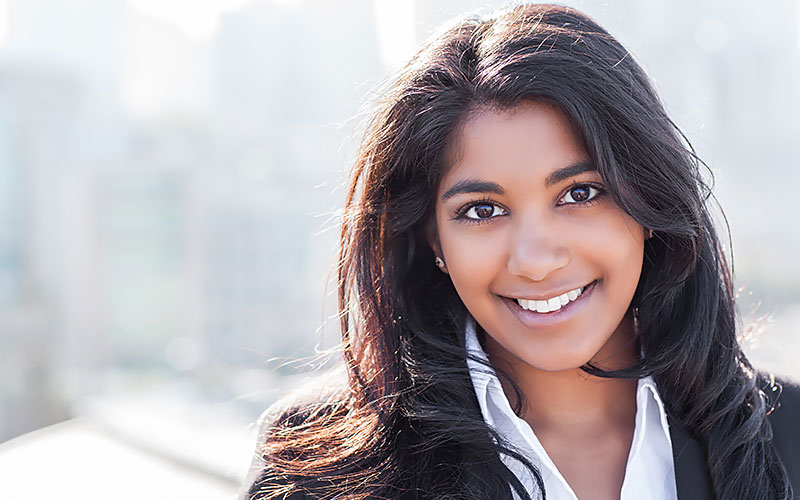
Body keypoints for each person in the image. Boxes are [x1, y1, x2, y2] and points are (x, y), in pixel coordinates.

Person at [240, 3, 800, 499]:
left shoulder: (789, 434)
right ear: (433, 239)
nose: (535, 260)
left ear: (648, 203)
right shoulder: (312, 469)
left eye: (580, 194)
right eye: (482, 210)